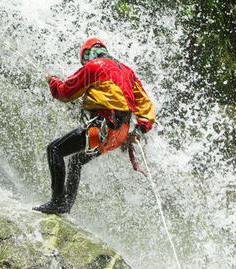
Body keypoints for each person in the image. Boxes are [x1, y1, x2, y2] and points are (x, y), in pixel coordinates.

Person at [33, 38, 155, 214]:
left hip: (102, 128)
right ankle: (65, 205)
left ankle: (57, 202)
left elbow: (65, 93)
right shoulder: (127, 71)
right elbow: (144, 103)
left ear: (86, 55)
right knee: (76, 160)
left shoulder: (93, 66)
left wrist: (52, 80)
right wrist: (141, 128)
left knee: (54, 149)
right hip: (119, 135)